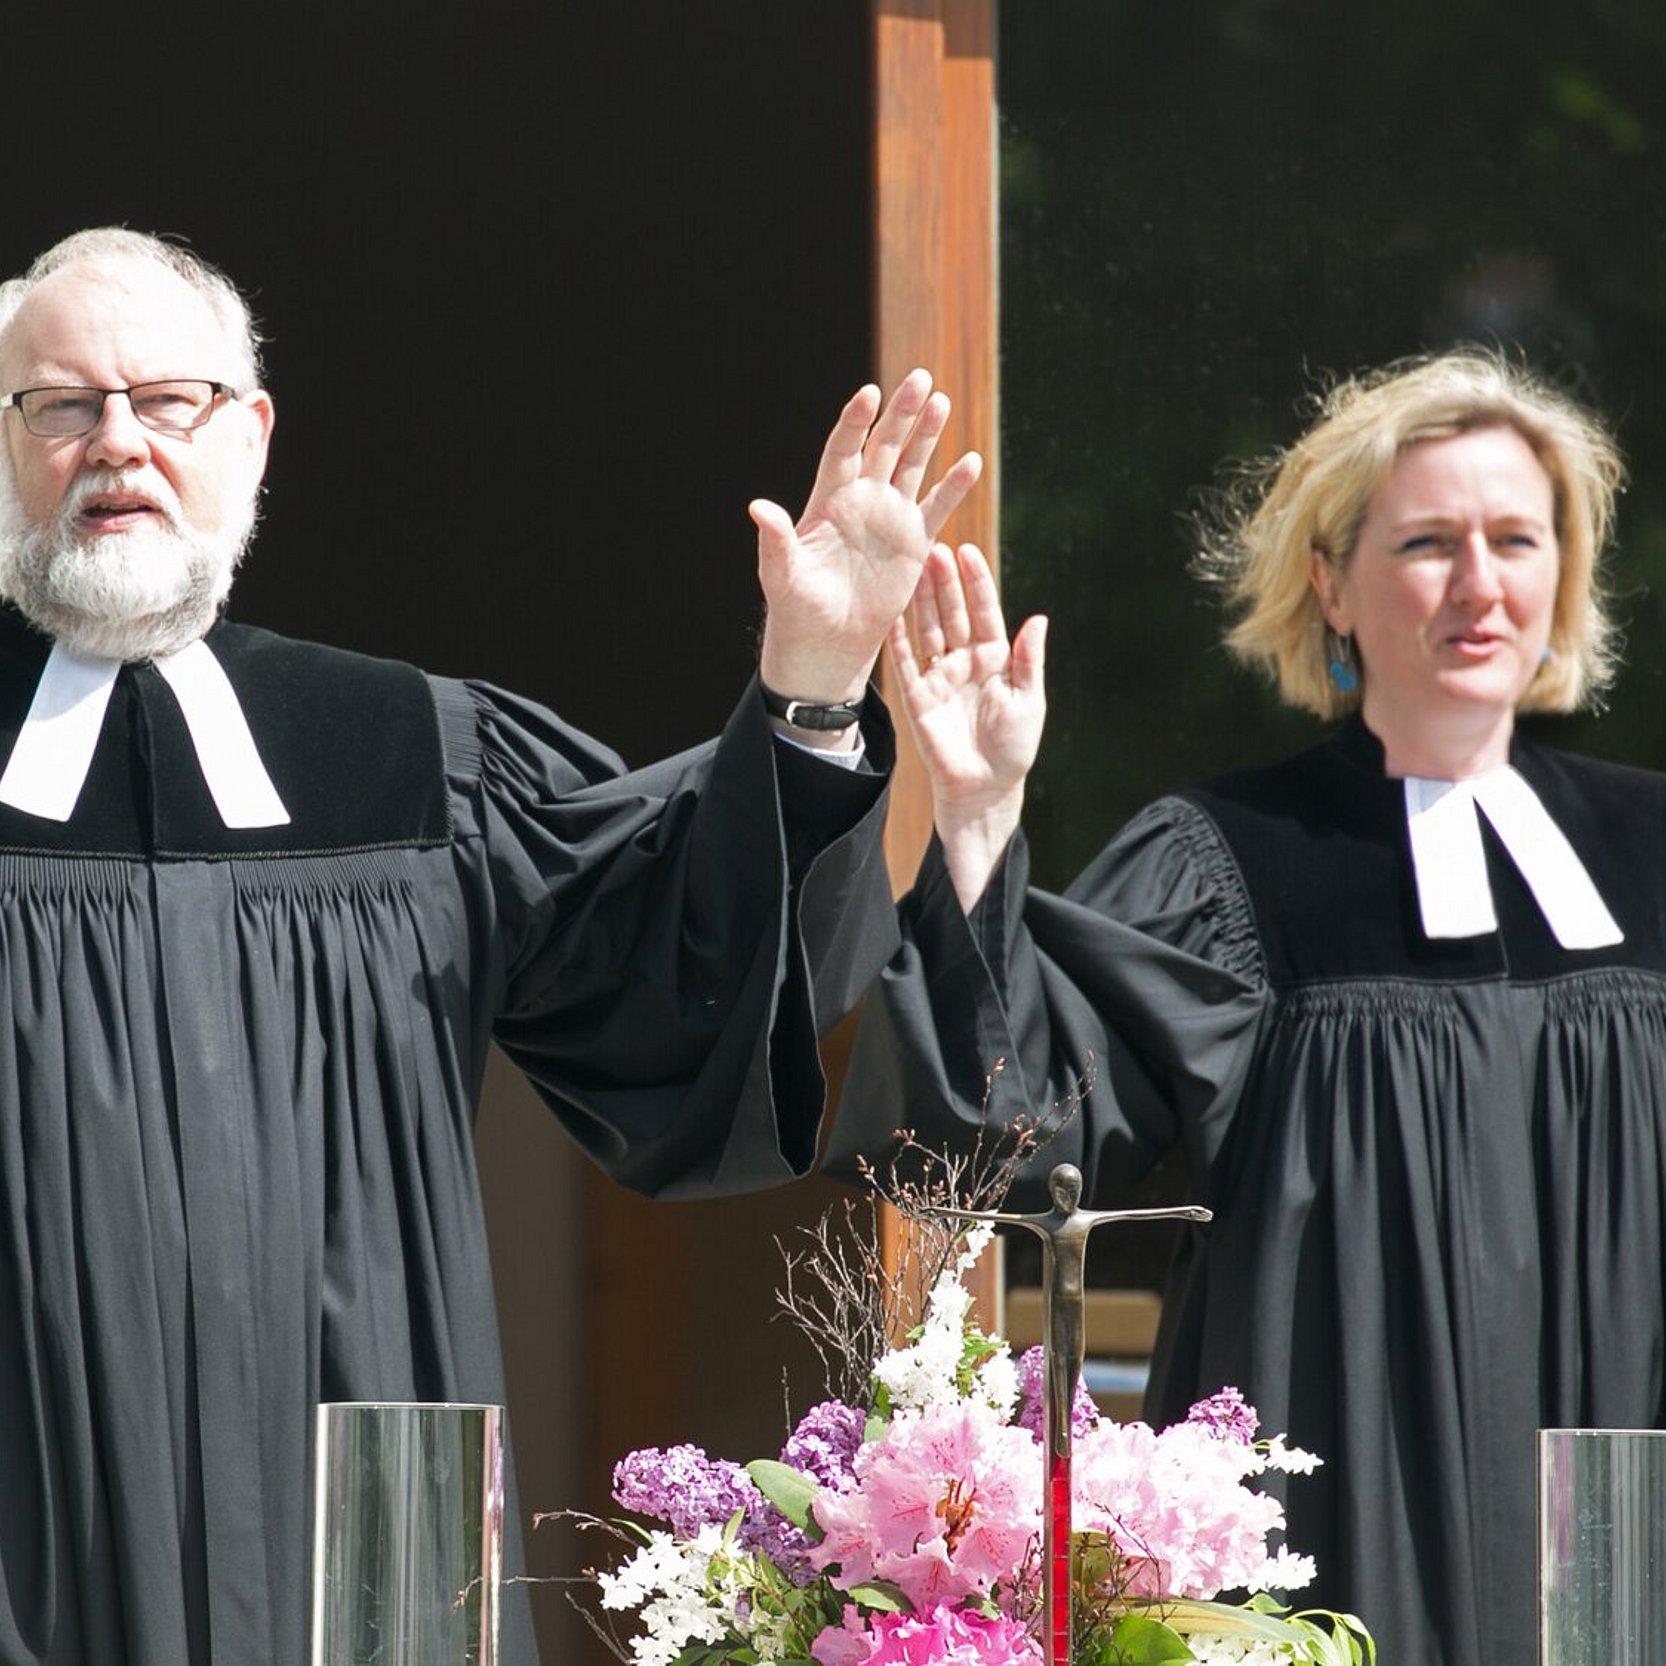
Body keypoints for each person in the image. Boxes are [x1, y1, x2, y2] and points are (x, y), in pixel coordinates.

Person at [0, 226, 979, 1666]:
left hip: (366, 1511)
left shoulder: (420, 756)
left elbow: (671, 974)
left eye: (168, 400)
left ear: (253, 434)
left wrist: (817, 675)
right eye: (62, 404)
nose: (118, 443)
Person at [835, 350, 1658, 1666]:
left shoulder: (1654, 850)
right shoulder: (1226, 859)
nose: (1477, 583)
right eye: (1426, 541)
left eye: (1516, 536)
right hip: (1327, 1546)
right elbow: (1014, 1139)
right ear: (1327, 578)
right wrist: (981, 812)